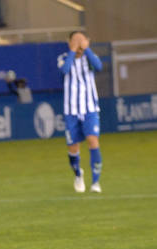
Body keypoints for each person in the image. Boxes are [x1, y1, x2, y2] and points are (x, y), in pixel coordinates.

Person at [59, 31, 103, 193]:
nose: (78, 43)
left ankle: (95, 183)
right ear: (69, 42)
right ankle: (78, 174)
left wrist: (87, 49)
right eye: (75, 40)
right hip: (71, 110)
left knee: (93, 141)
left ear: (87, 41)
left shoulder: (90, 57)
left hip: (90, 108)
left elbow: (98, 67)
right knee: (73, 147)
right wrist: (72, 50)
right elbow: (64, 70)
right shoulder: (64, 57)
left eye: (81, 39)